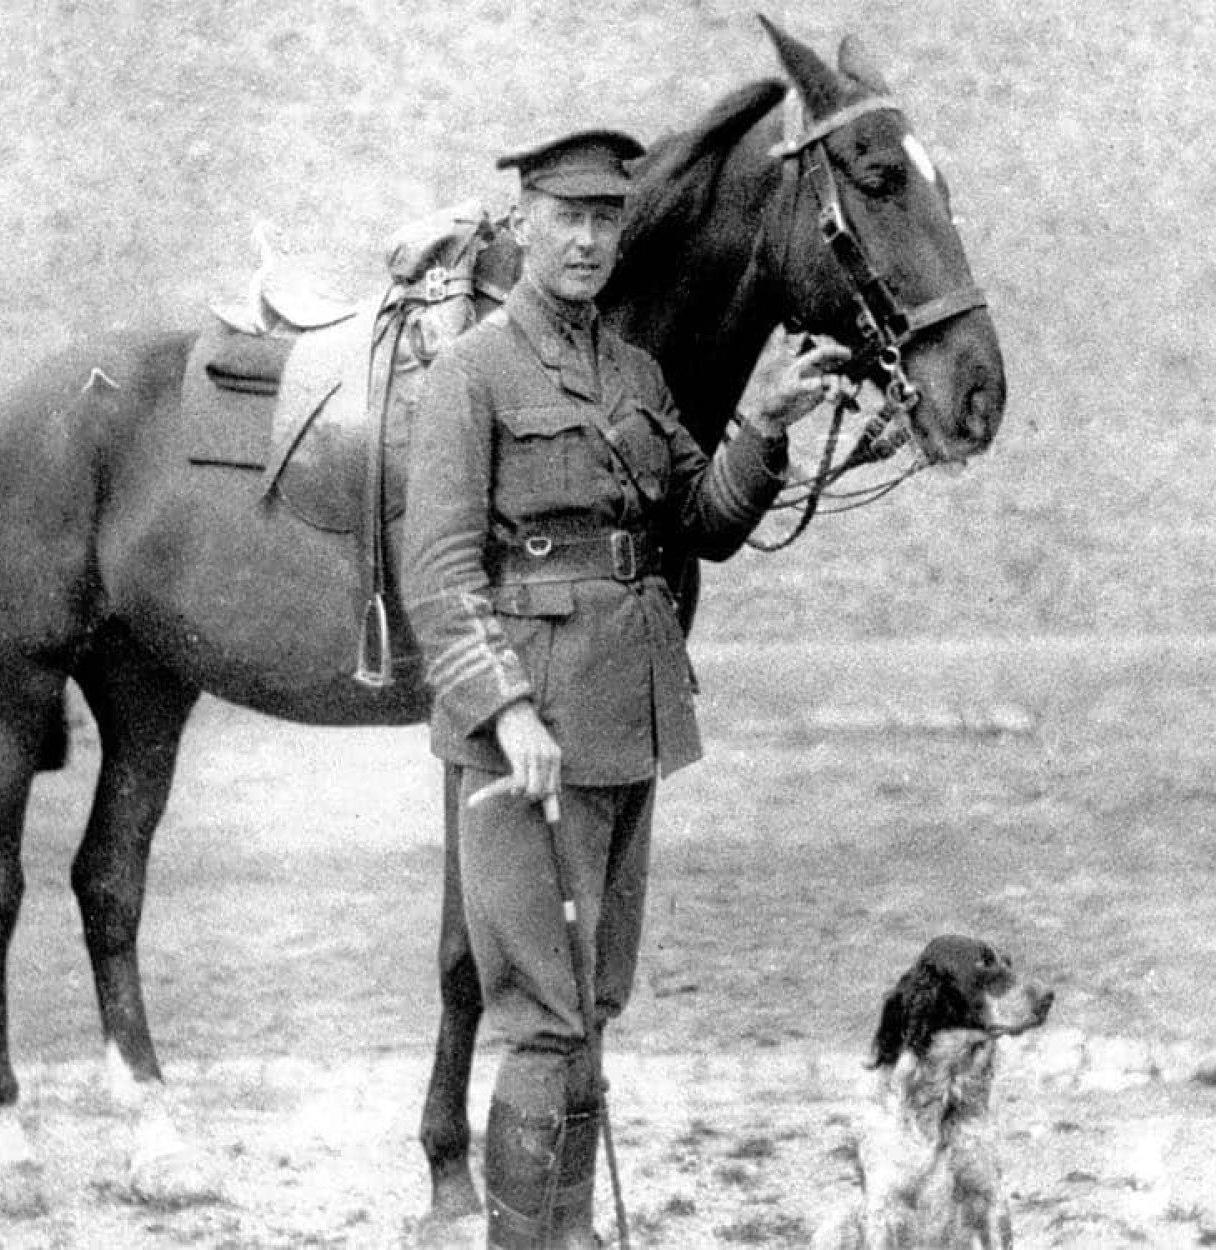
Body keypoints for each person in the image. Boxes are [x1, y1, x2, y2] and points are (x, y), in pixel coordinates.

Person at [400, 128, 848, 1248]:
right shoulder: (472, 374)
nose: (589, 241)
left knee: (592, 1006)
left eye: (608, 220)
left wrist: (764, 424)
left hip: (628, 721)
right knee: (544, 1015)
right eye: (568, 218)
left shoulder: (636, 375)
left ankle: (567, 1233)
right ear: (525, 225)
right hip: (529, 736)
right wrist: (505, 711)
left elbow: (702, 522)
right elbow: (439, 572)